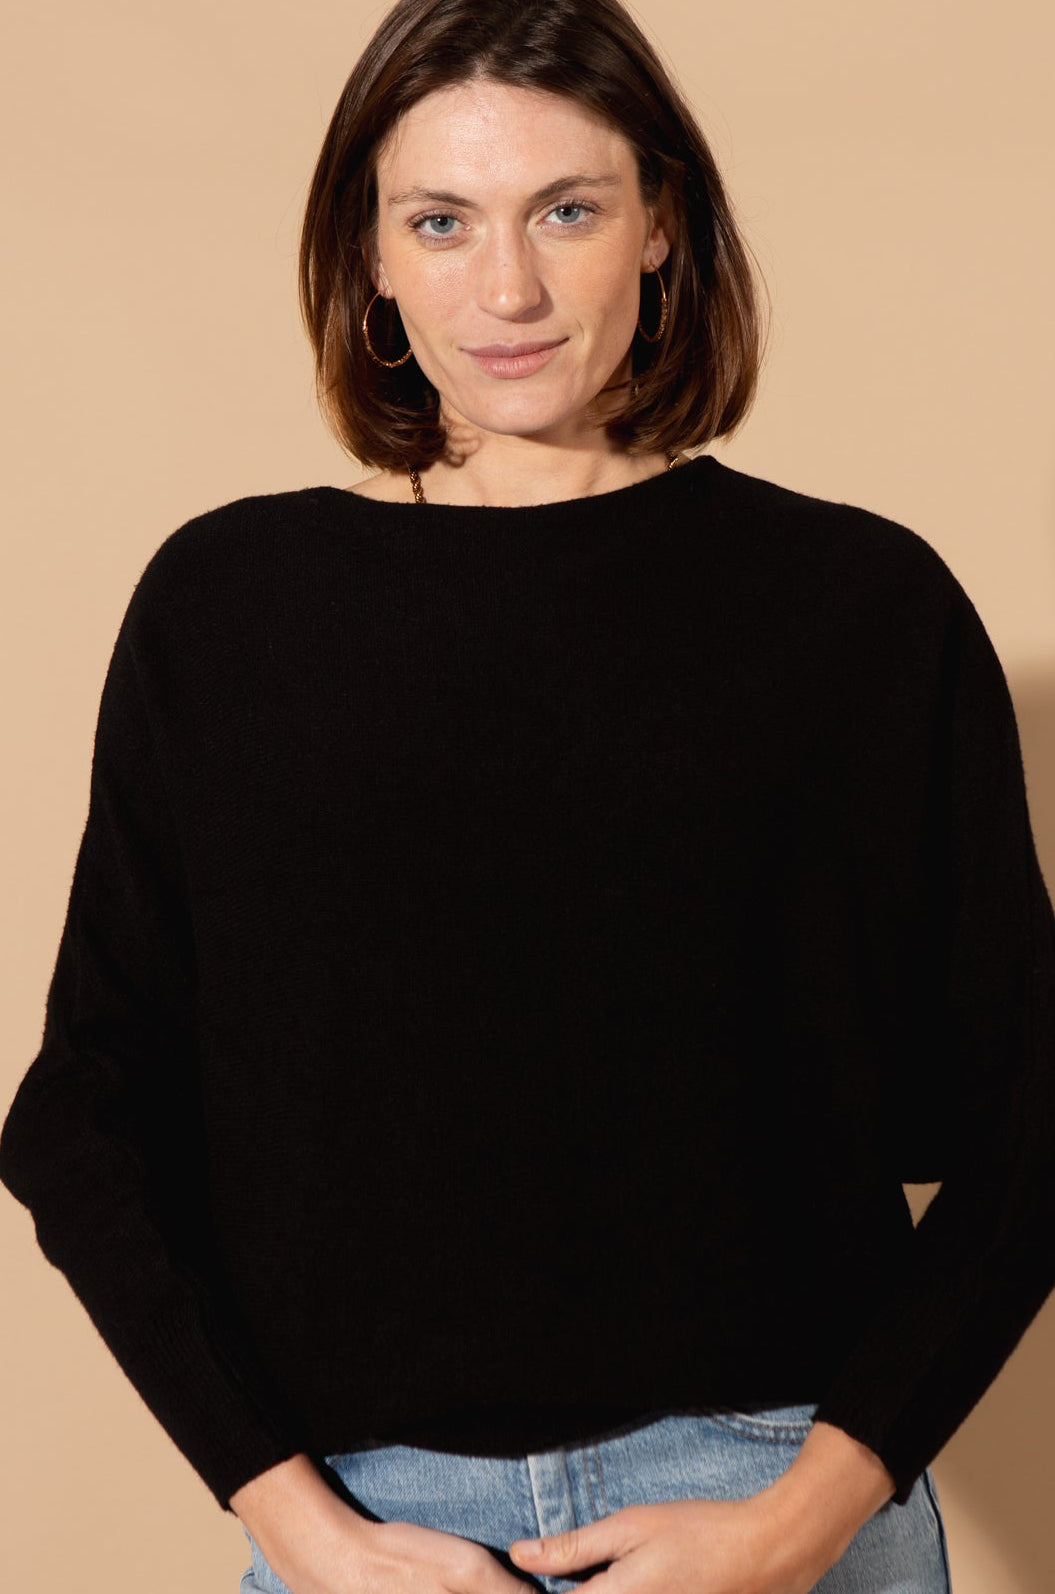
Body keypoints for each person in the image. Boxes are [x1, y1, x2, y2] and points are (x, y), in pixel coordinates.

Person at [2, 0, 1053, 1591]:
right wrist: (304, 1529)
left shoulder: (861, 608)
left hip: (775, 1499)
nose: (507, 289)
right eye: (441, 221)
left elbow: (1036, 1115)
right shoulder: (229, 611)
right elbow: (81, 1114)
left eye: (567, 210)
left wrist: (801, 1521)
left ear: (661, 226)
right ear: (368, 254)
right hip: (375, 1521)